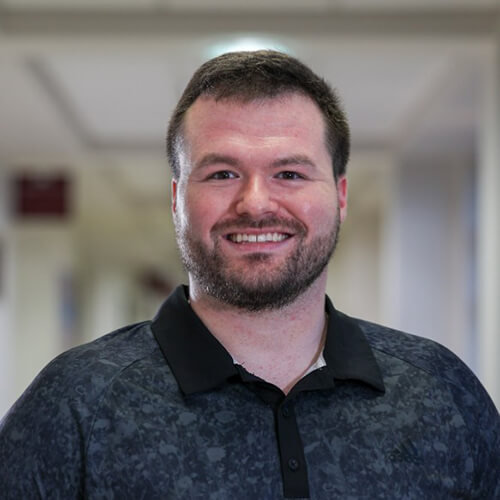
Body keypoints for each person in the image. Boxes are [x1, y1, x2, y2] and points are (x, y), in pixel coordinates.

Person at [0, 50, 498, 500]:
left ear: (341, 196)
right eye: (222, 174)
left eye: (290, 174)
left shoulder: (441, 391)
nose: (256, 203)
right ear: (176, 199)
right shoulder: (75, 404)